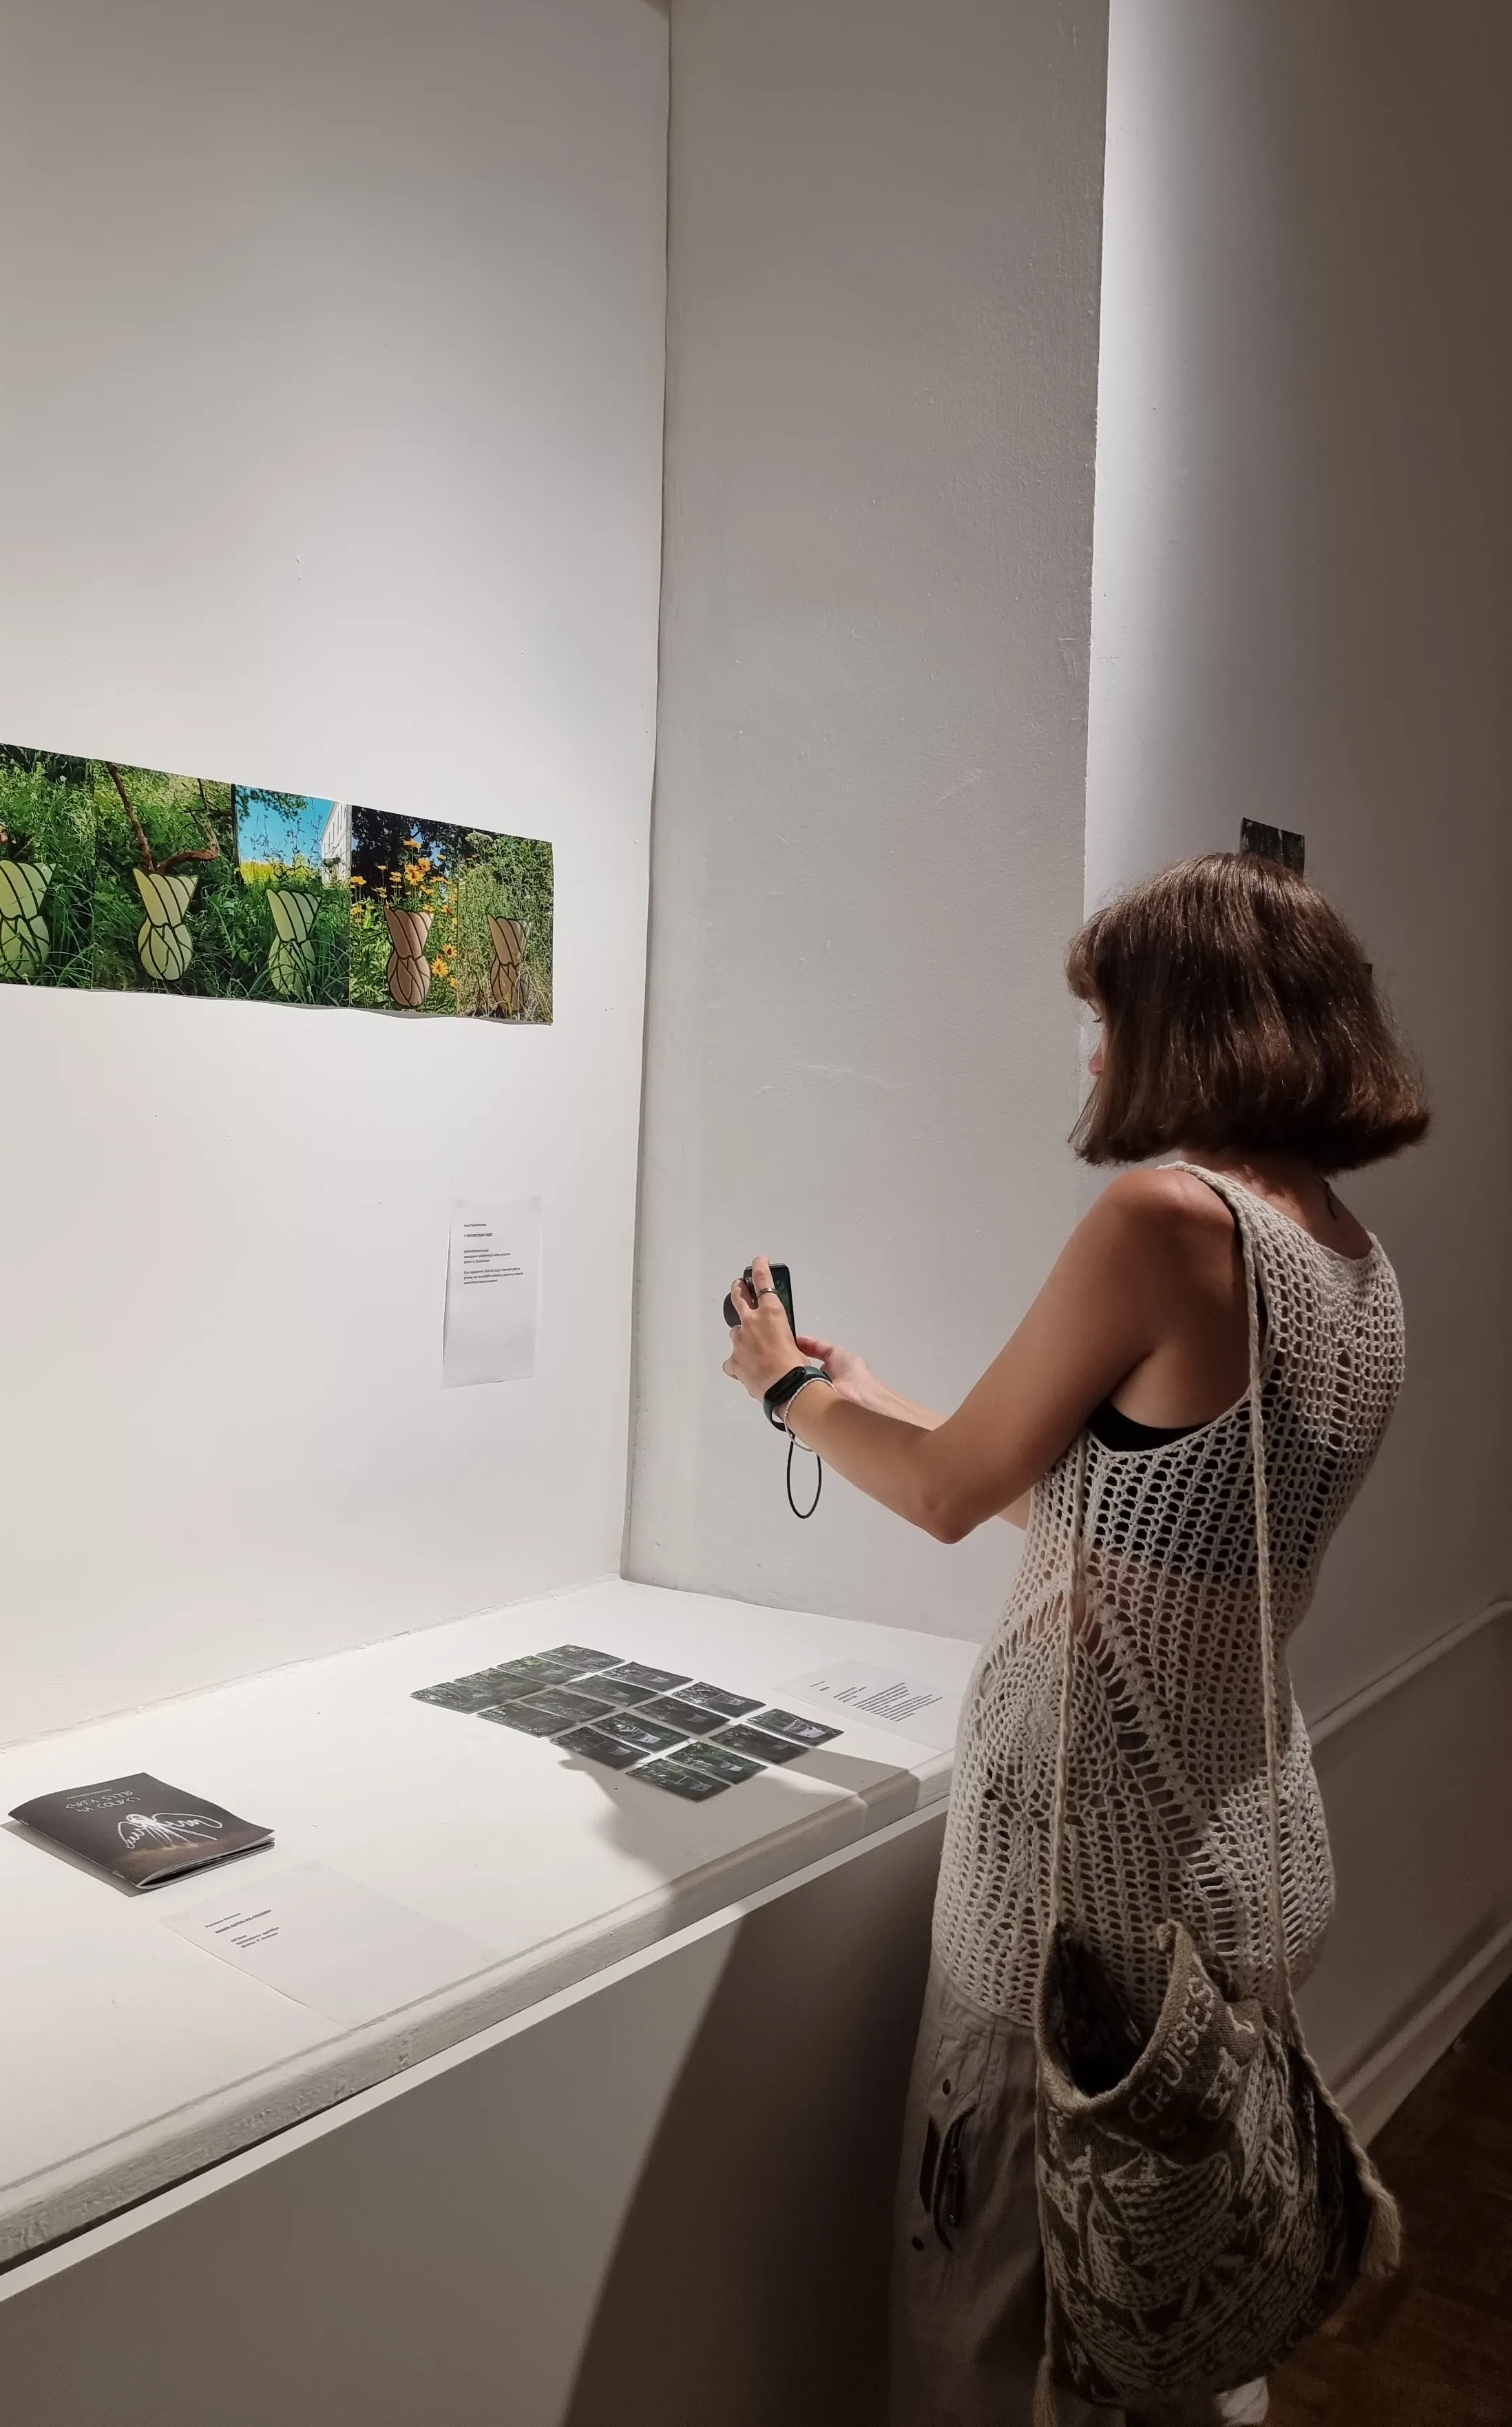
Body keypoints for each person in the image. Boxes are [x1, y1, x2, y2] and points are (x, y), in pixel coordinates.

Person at [722, 852, 1427, 2427]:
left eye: (1108, 1017)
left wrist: (783, 1386)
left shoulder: (1168, 1217)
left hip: (1080, 1892)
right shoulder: (1348, 1264)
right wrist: (872, 1389)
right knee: (1167, 2307)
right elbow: (1102, 1511)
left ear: (1191, 1020)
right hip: (1236, 1854)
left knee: (991, 2316)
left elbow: (953, 1493)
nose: (1097, 1055)